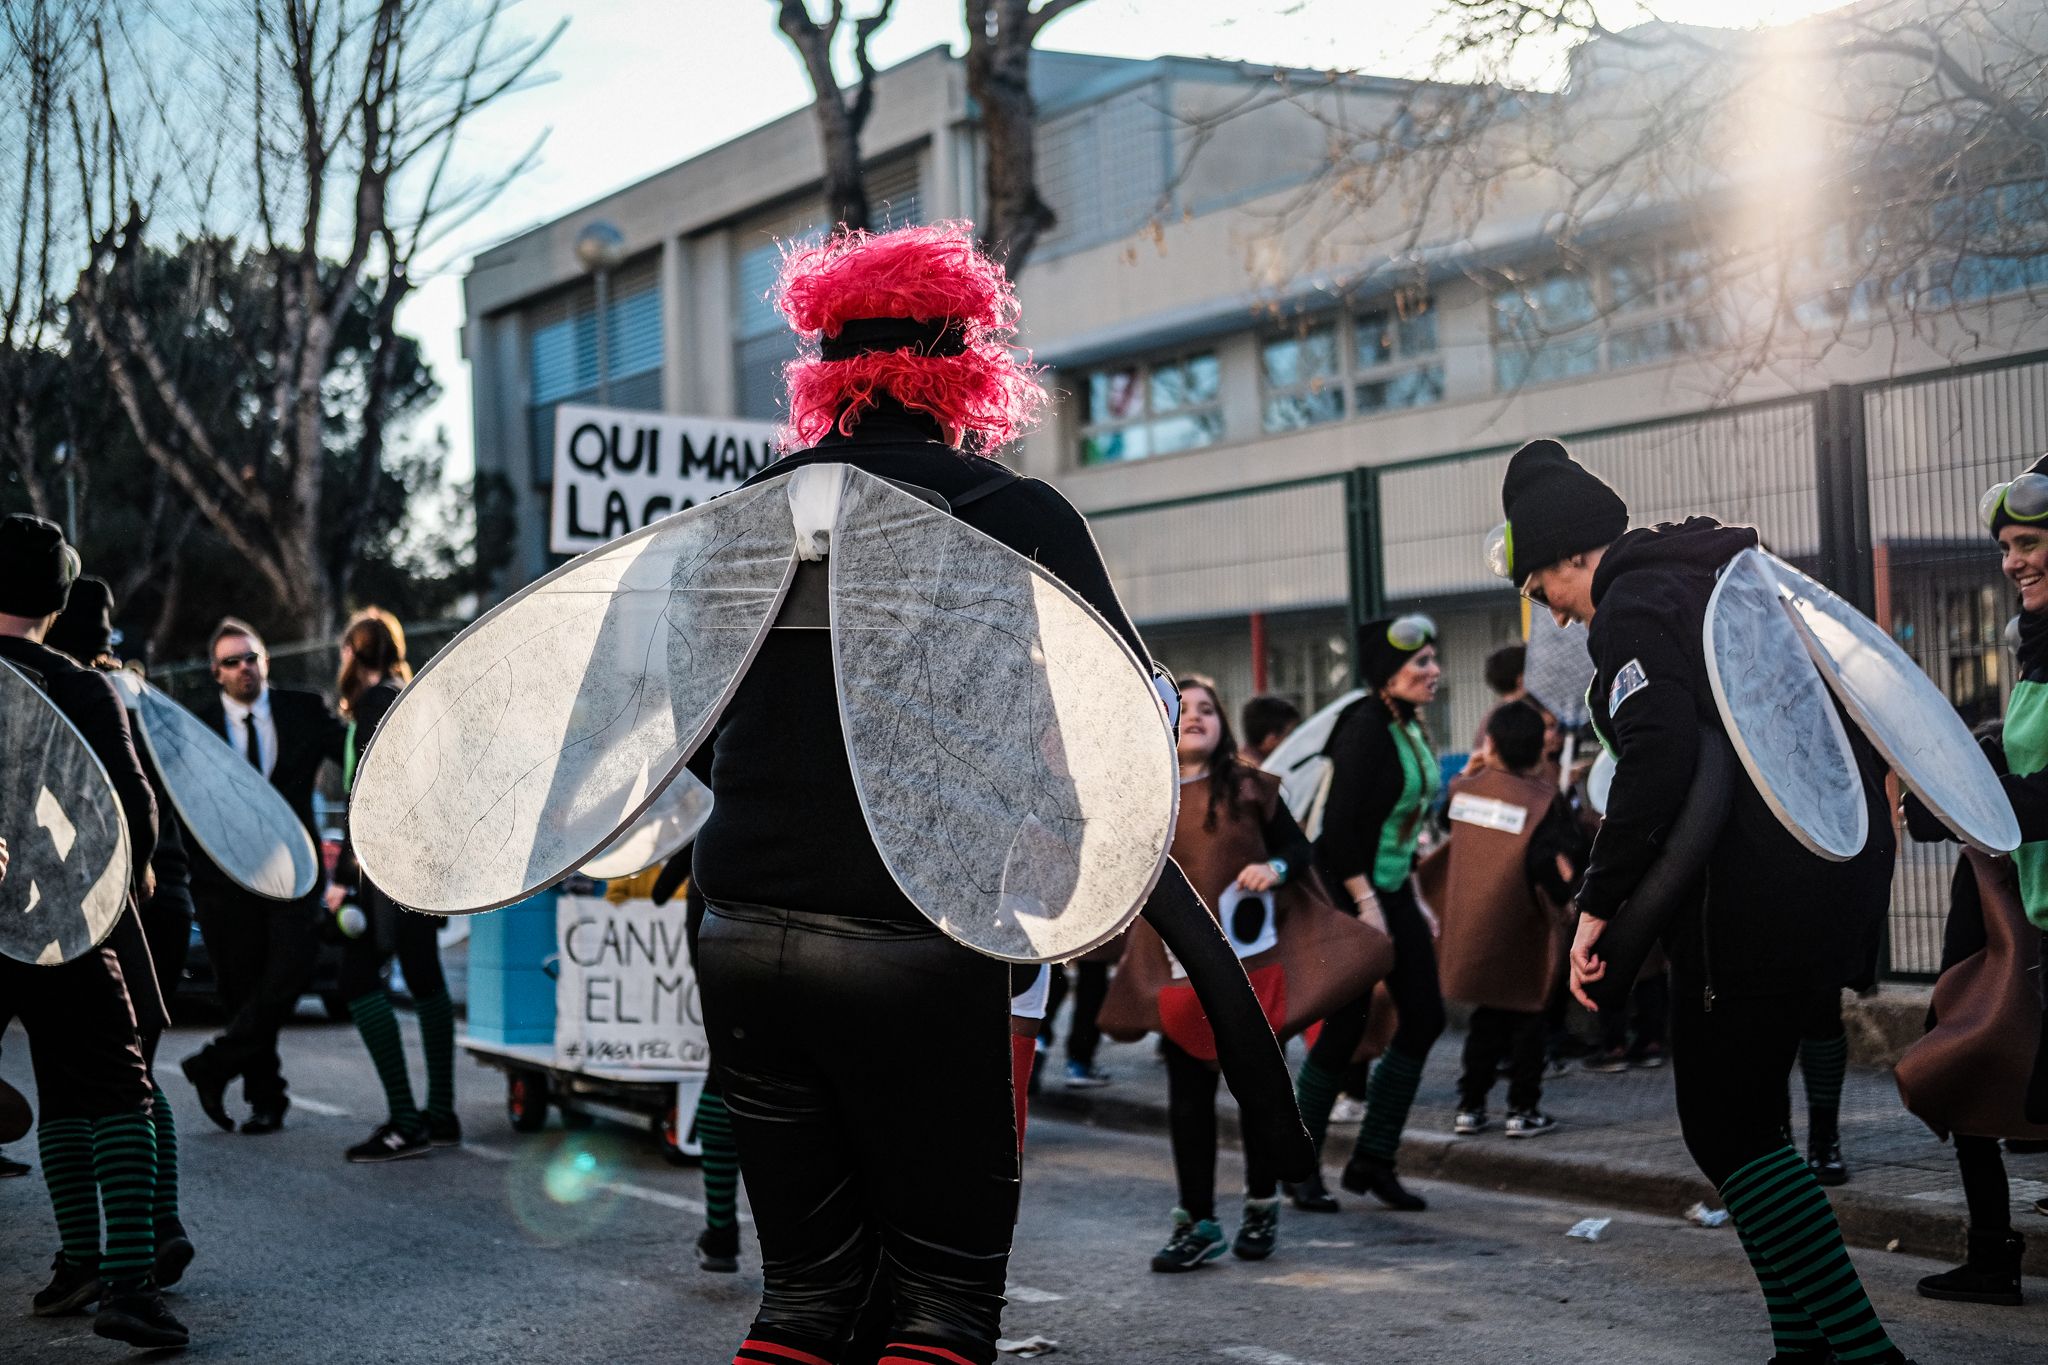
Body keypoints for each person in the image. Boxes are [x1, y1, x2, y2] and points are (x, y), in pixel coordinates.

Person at [685, 222, 1304, 1365]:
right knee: (940, 1303)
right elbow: (1123, 728)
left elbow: (683, 733)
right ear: (964, 362)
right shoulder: (1010, 516)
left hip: (738, 933)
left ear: (826, 370)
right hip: (920, 938)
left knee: (805, 1302)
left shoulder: (738, 518)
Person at [1498, 437, 1916, 1365]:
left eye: (1543, 587)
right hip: (1821, 872)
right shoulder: (1712, 581)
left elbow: (1657, 763)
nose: (1556, 616)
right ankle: (1802, 1345)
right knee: (1755, 1123)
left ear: (1572, 554)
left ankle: (1862, 1351)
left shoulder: (1635, 605)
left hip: (1745, 903)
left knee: (1723, 1128)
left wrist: (1597, 907)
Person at [0, 514, 188, 1348]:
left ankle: (76, 1261)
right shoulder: (80, 686)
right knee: (114, 1087)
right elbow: (133, 818)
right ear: (56, 596)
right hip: (63, 923)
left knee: (55, 1086)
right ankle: (126, 1282)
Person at [1901, 456, 2048, 1304]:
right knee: (1967, 1062)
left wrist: (1979, 796)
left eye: (2027, 541)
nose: (2011, 560)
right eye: (2004, 546)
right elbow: (2013, 761)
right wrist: (1950, 785)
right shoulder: (2033, 645)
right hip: (2017, 910)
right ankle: (1992, 1254)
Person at [48, 578, 198, 1284]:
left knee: (79, 1080)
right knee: (136, 1071)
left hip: (111, 896)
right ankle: (161, 1223)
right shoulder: (141, 694)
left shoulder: (62, 692)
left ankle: (92, 1256)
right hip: (170, 896)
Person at [1140, 677, 1316, 1271]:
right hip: (1180, 973)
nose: (1194, 717)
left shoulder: (1248, 787)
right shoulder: (1143, 793)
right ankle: (1197, 1221)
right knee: (1187, 1102)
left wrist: (1277, 866)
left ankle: (1262, 1204)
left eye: (1207, 709)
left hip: (1252, 968)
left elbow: (1299, 849)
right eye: (1182, 708)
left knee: (1258, 1093)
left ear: (1224, 723)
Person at [1285, 613, 1444, 1214]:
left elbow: (1405, 826)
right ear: (1386, 674)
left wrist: (1417, 902)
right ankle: (1297, 1166)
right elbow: (1340, 831)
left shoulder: (1408, 724)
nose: (1434, 671)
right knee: (1346, 1028)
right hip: (1349, 892)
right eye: (1421, 662)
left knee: (1425, 1017)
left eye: (1432, 659)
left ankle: (1372, 1160)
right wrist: (1369, 907)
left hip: (1392, 890)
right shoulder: (1365, 727)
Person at [181, 617, 346, 1135]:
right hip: (224, 878)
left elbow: (354, 753)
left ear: (265, 662)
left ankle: (214, 1062)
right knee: (242, 988)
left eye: (252, 657)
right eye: (232, 661)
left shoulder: (303, 708)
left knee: (291, 972)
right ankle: (265, 1099)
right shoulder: (196, 724)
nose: (245, 668)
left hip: (294, 872)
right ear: (216, 671)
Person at [319, 608, 458, 1163]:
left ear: (352, 654)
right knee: (425, 976)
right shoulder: (410, 696)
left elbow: (367, 802)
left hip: (389, 868)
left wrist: (342, 881)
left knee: (356, 979)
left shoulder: (375, 705)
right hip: (423, 862)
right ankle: (441, 1115)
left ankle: (406, 1122)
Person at [1444, 699, 1584, 1138]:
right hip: (1526, 926)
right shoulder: (1544, 800)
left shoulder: (1464, 791)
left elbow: (1450, 830)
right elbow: (1551, 861)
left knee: (1486, 1020)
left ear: (1491, 744)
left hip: (1478, 927)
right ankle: (1523, 1110)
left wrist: (1474, 768)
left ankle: (1470, 1106)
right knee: (1529, 1019)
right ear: (1540, 750)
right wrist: (1566, 903)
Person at [1240, 694, 1303, 764]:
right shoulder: (1258, 771)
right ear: (1271, 740)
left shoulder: (1242, 761)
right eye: (1290, 735)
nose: (1296, 740)